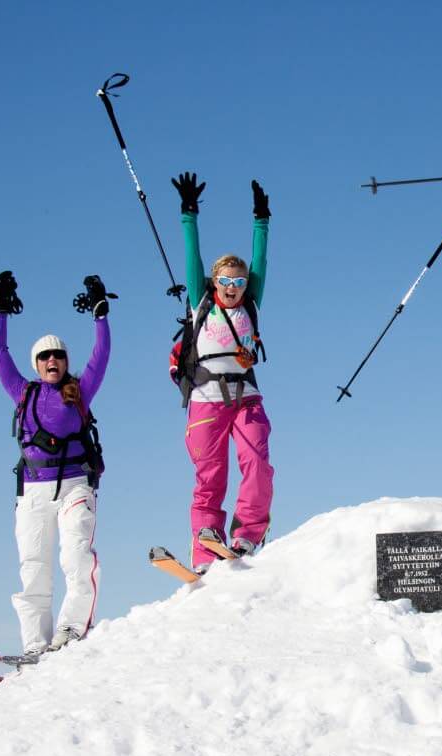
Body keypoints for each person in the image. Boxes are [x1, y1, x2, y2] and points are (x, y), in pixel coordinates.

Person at [0, 271, 111, 658]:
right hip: (32, 490)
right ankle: (34, 645)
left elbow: (101, 354)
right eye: (44, 356)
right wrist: (0, 311)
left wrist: (100, 315)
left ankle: (72, 629)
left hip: (75, 485)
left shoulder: (80, 391)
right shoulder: (22, 393)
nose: (52, 359)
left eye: (58, 354)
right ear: (36, 363)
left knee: (76, 555)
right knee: (33, 567)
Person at [169, 171, 274, 575]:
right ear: (213, 282)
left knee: (258, 463)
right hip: (205, 400)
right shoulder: (201, 304)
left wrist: (261, 220)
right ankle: (204, 548)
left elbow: (261, 258)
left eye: (239, 280)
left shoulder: (251, 305)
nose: (232, 286)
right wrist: (189, 215)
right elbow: (191, 259)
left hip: (246, 397)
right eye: (224, 280)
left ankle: (248, 533)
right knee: (210, 477)